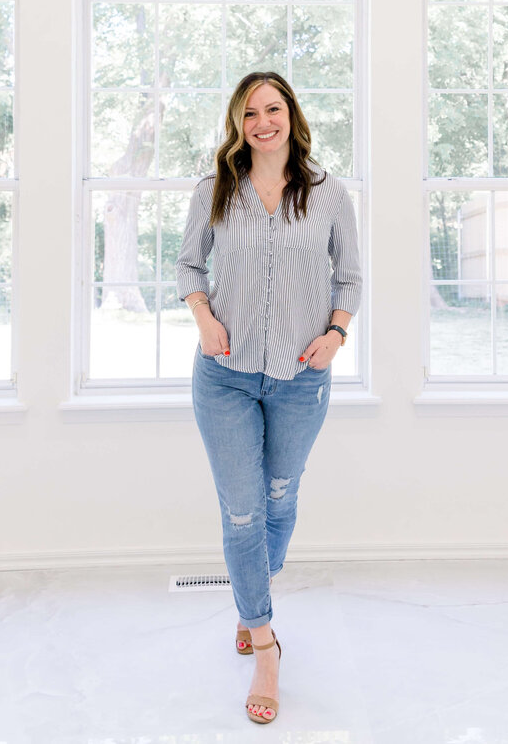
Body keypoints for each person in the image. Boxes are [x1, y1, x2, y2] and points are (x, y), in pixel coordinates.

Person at [175, 71, 362, 724]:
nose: (263, 121)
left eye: (273, 108)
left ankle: (248, 596)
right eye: (250, 111)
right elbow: (188, 266)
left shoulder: (330, 195)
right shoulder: (214, 191)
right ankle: (264, 642)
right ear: (238, 123)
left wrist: (337, 334)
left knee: (279, 497)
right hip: (223, 374)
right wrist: (204, 319)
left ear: (292, 115)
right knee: (242, 513)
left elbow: (351, 277)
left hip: (301, 376)